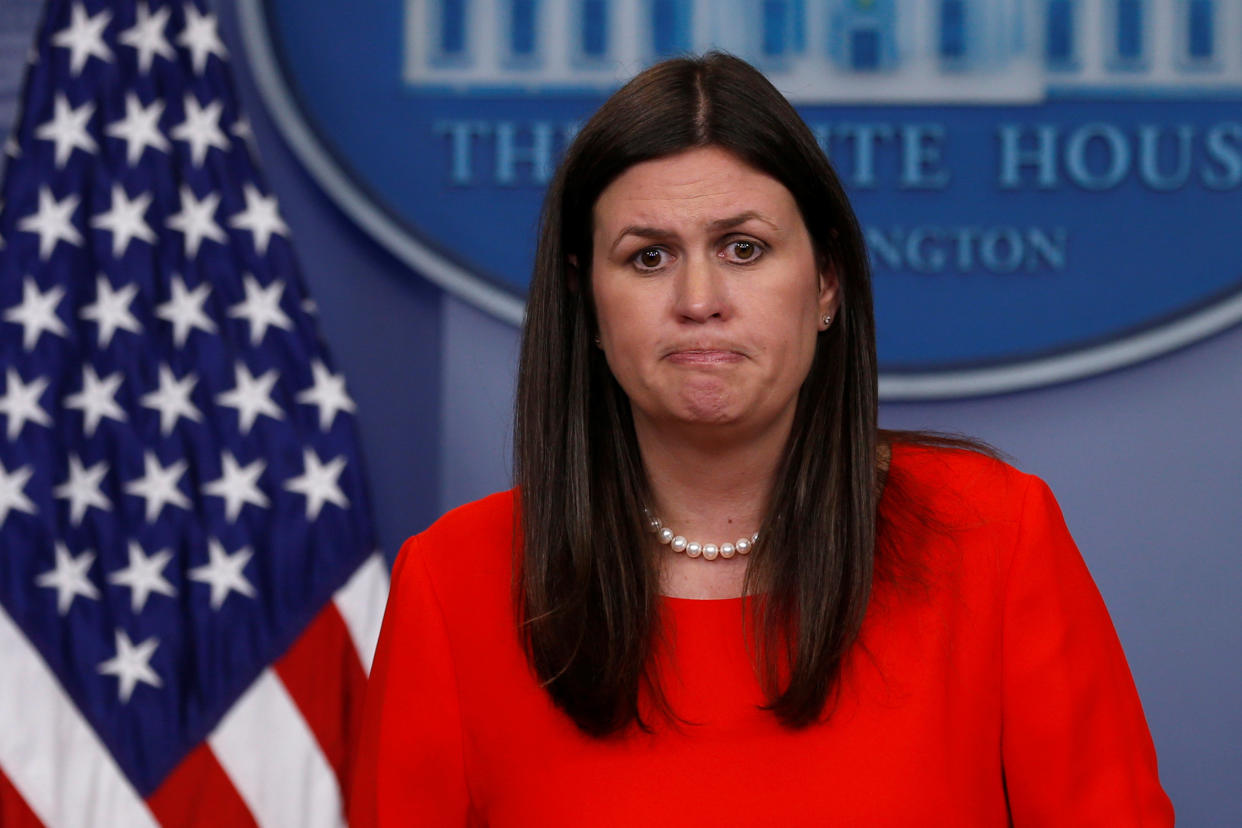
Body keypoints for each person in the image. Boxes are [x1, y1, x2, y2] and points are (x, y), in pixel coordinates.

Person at [350, 53, 1173, 825]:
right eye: (648, 258)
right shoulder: (454, 584)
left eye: (743, 249)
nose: (699, 298)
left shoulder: (993, 538)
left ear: (825, 284)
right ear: (586, 302)